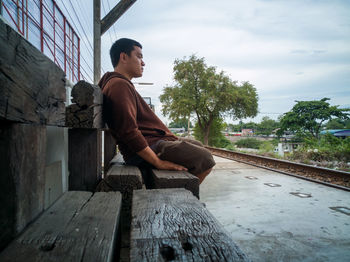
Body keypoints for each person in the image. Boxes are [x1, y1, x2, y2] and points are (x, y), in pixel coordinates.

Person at [98, 38, 215, 184]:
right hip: (146, 149)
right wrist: (158, 163)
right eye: (139, 56)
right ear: (123, 57)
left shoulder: (119, 83)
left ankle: (180, 192)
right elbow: (128, 131)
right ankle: (182, 198)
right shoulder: (119, 85)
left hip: (150, 143)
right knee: (205, 158)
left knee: (196, 145)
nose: (143, 62)